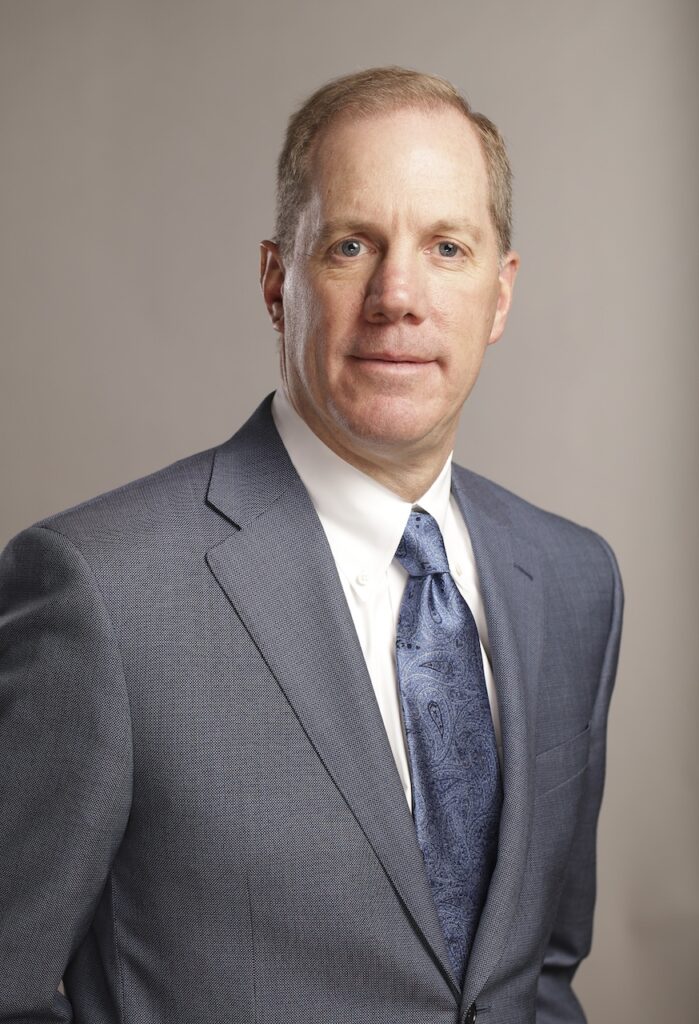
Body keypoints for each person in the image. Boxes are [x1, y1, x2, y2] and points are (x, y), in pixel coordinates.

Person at [0, 67, 622, 1024]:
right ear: (274, 282)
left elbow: (538, 974)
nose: (398, 296)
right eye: (349, 246)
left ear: (499, 296)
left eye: (446, 247)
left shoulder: (575, 582)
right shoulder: (102, 592)